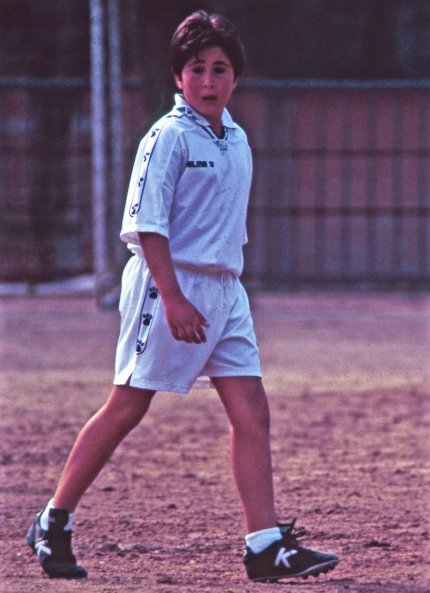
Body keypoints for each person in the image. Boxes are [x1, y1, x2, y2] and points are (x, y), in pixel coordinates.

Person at [26, 10, 339, 583]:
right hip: (166, 285)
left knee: (252, 411)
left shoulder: (237, 138)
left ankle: (264, 545)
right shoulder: (166, 137)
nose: (209, 80)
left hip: (226, 290)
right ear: (178, 78)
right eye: (197, 69)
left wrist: (221, 290)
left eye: (221, 69)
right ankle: (53, 520)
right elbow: (148, 226)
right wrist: (171, 298)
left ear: (235, 79)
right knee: (128, 405)